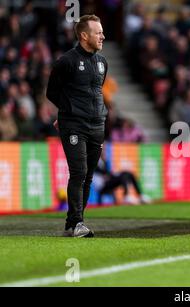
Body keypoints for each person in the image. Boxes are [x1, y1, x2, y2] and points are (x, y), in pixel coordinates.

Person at [46, 15, 107, 237]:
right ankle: (77, 222)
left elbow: (96, 92)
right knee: (79, 172)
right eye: (98, 32)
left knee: (89, 175)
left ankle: (73, 225)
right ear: (84, 35)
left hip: (97, 125)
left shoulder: (102, 63)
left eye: (101, 32)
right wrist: (67, 112)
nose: (102, 36)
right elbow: (52, 92)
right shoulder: (67, 61)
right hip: (74, 126)